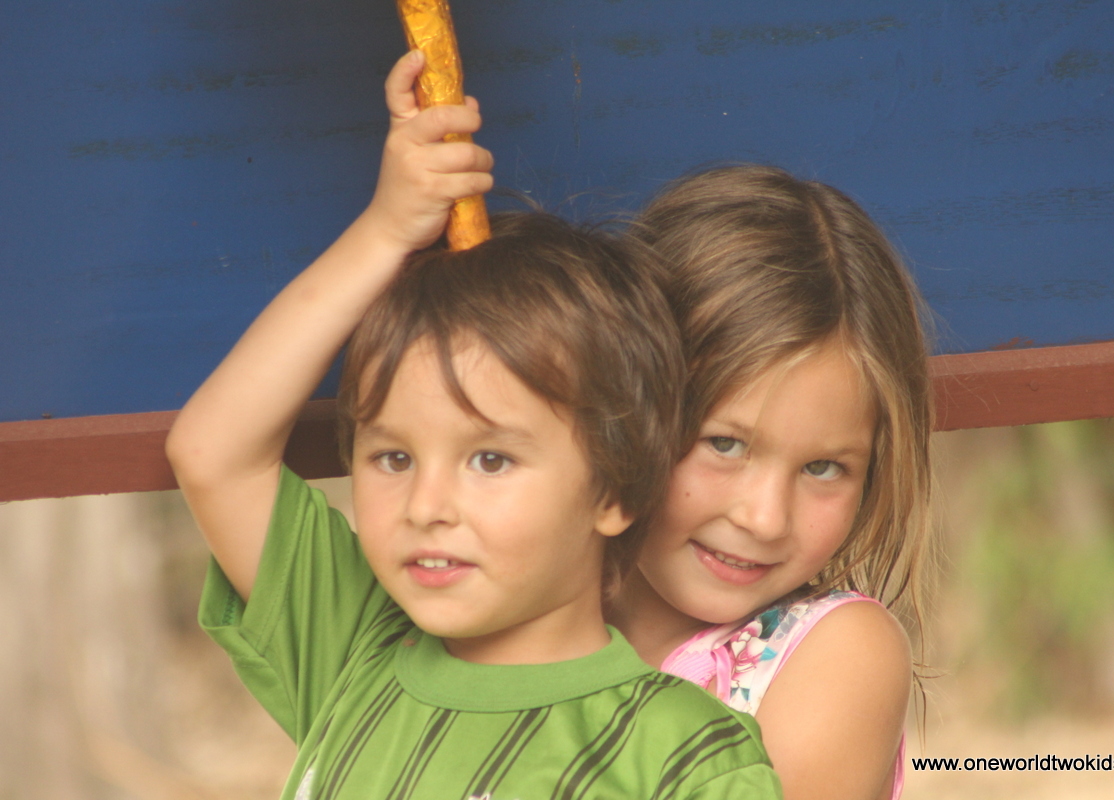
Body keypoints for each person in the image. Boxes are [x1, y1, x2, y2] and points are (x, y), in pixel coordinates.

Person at [166, 52, 782, 800]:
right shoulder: (352, 649)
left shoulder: (683, 755)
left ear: (615, 488)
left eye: (490, 460)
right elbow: (213, 452)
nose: (426, 506)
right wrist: (385, 231)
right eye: (393, 459)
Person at [606, 165, 933, 800]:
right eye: (724, 444)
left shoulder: (838, 657)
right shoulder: (512, 606)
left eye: (822, 468)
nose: (765, 518)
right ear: (625, 405)